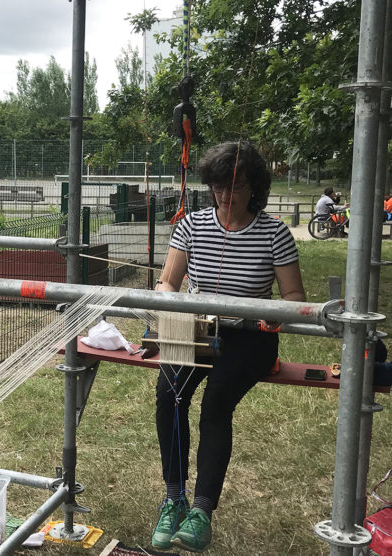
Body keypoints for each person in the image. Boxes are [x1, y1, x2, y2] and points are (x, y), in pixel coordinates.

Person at [151, 141, 306, 552]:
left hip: (250, 336)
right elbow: (168, 281)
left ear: (254, 187)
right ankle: (174, 498)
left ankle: (201, 512)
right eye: (219, 186)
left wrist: (278, 312)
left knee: (216, 402)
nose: (225, 195)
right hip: (199, 327)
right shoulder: (192, 225)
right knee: (170, 395)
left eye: (235, 186)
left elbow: (293, 296)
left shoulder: (274, 232)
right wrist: (168, 300)